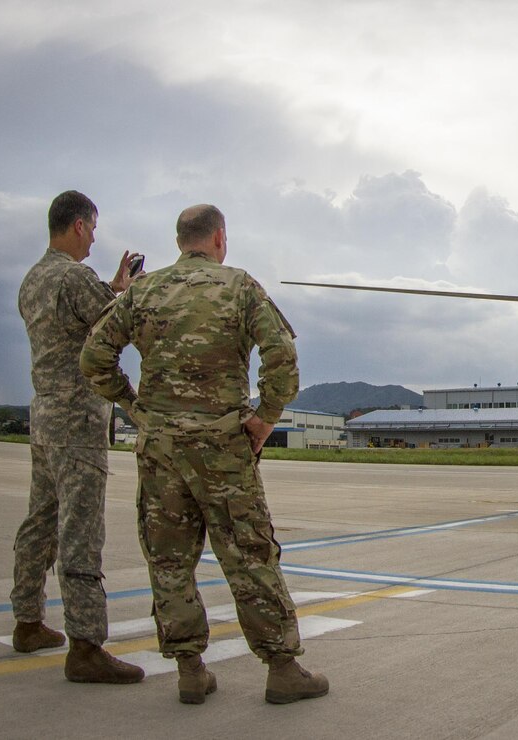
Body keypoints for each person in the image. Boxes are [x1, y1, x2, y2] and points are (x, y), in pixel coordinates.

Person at [80, 204, 327, 706]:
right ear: (219, 238)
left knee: (170, 561)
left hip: (161, 451)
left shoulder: (144, 291)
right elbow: (282, 357)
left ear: (179, 241)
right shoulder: (239, 286)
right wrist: (266, 417)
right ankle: (281, 668)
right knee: (249, 555)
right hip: (223, 450)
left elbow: (94, 358)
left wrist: (135, 407)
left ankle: (190, 671)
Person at [12, 190, 145, 684]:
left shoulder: (34, 279)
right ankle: (86, 646)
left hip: (44, 416)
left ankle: (27, 621)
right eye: (93, 228)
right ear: (79, 225)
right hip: (78, 421)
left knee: (40, 522)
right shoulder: (75, 277)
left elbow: (76, 320)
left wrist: (111, 286)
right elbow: (116, 328)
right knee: (81, 532)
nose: (94, 238)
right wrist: (134, 292)